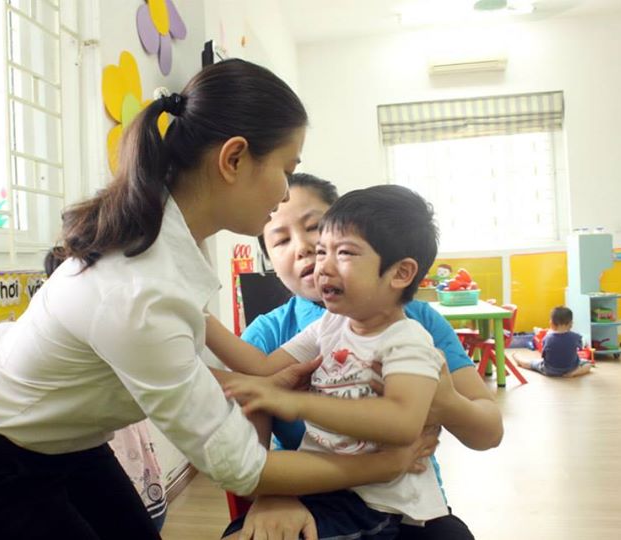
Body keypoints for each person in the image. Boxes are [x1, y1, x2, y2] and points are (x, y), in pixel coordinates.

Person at [0, 59, 438, 540]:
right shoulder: (140, 291)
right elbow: (242, 468)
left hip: (68, 440)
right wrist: (386, 463)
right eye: (286, 168)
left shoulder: (166, 243)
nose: (284, 192)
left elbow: (168, 363)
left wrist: (253, 384)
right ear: (234, 159)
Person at [211, 174, 503, 540]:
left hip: (392, 505)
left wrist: (445, 403)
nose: (306, 250)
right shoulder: (302, 328)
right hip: (301, 492)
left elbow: (484, 432)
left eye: (316, 230)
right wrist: (196, 316)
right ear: (269, 258)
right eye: (281, 240)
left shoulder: (415, 329)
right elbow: (255, 378)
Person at [44, 246, 168, 531]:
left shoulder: (111, 320)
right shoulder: (72, 327)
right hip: (95, 442)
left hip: (120, 438)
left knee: (142, 510)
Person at [515, 306, 592, 377]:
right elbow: (580, 347)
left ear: (551, 324)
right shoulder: (576, 337)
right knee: (588, 364)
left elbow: (544, 354)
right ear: (571, 324)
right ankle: (573, 373)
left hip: (549, 370)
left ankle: (519, 360)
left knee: (533, 363)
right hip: (570, 368)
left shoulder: (547, 338)